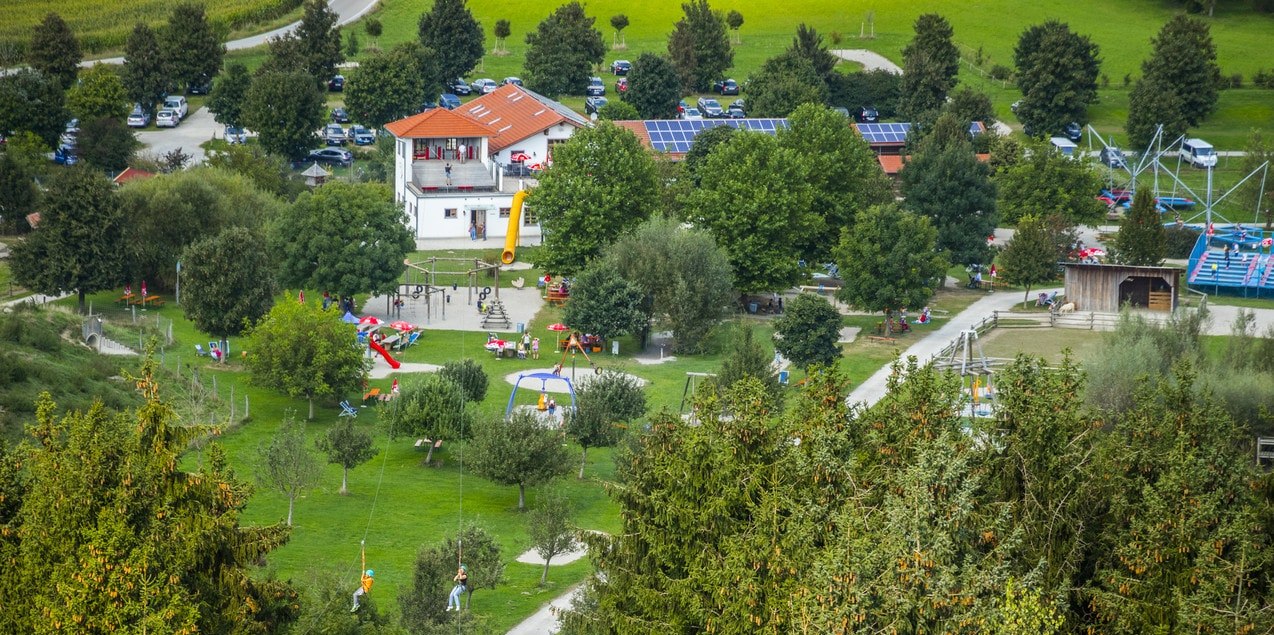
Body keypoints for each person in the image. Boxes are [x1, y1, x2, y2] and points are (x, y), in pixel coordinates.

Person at [352, 544, 374, 612]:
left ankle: (356, 605)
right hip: (362, 588)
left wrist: (362, 574)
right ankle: (356, 604)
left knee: (355, 594)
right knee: (355, 594)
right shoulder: (368, 578)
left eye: (367, 574)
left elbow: (362, 580)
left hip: (364, 590)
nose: (366, 575)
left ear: (369, 575)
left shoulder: (370, 580)